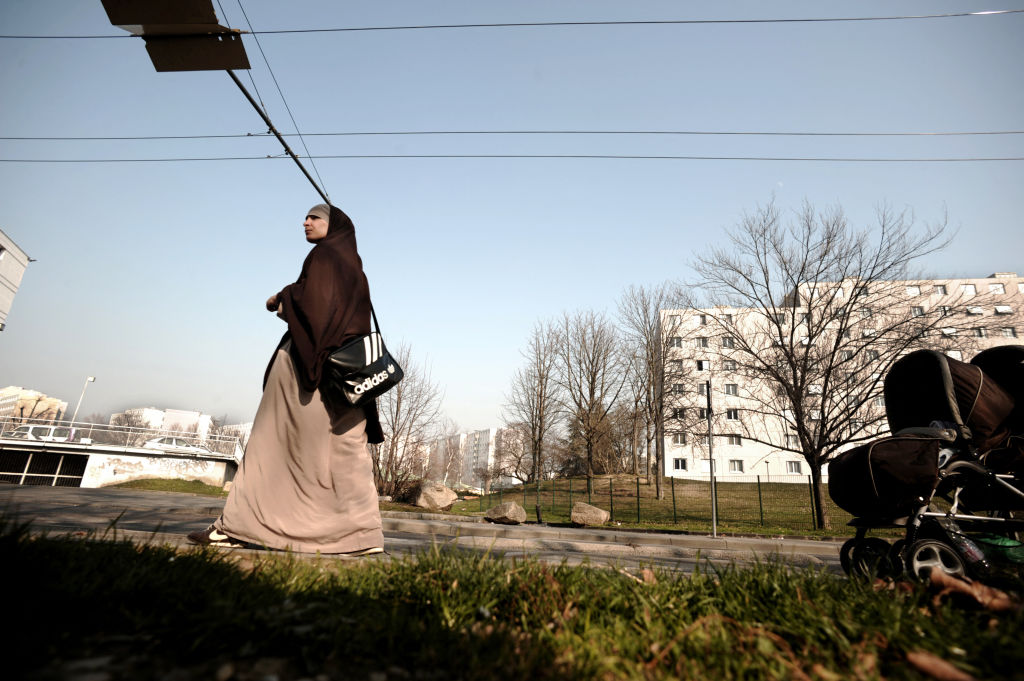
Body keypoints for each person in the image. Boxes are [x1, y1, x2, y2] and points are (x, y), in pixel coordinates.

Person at [188, 203, 385, 556]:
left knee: (270, 446)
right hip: (349, 378)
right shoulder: (355, 266)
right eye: (306, 217)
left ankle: (235, 528)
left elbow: (315, 308)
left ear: (333, 226)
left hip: (307, 371)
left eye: (314, 218)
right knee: (344, 454)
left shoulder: (324, 257)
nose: (305, 222)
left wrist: (283, 298)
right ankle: (360, 537)